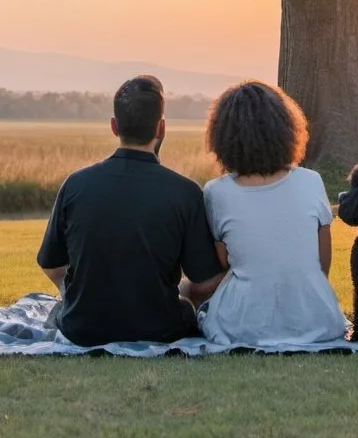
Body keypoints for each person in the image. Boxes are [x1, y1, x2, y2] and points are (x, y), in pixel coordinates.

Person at [37, 75, 224, 346]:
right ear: (161, 128)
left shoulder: (75, 184)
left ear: (114, 126)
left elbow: (50, 263)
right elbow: (205, 281)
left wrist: (72, 295)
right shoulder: (185, 192)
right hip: (160, 329)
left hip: (81, 329)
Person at [184, 80, 347, 346]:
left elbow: (225, 262)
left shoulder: (217, 192)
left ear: (222, 138)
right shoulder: (311, 181)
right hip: (318, 321)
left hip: (241, 326)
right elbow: (322, 265)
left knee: (194, 293)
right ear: (286, 130)